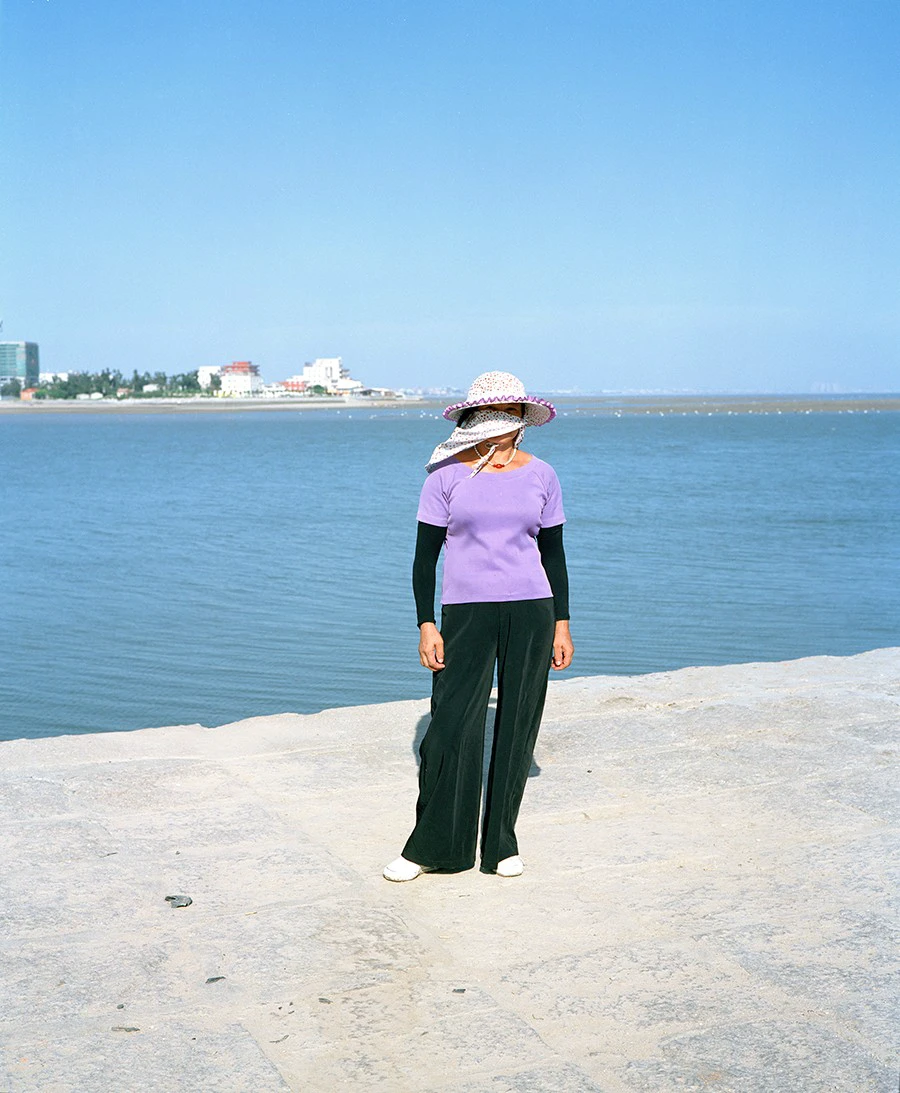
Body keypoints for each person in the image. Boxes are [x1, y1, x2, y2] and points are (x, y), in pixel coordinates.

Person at [384, 371, 574, 882]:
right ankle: (434, 848)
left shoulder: (543, 475)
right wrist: (426, 623)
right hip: (466, 612)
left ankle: (501, 846)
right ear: (473, 417)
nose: (502, 421)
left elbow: (554, 555)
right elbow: (424, 560)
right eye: (492, 411)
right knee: (449, 728)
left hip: (532, 610)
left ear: (522, 418)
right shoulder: (445, 477)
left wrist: (562, 623)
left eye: (511, 412)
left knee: (518, 725)